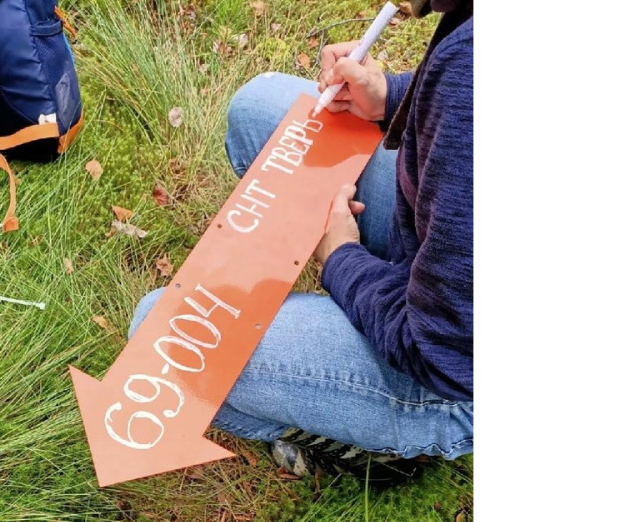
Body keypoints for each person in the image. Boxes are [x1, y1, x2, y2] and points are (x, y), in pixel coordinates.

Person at [128, 0, 473, 486]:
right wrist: (392, 96)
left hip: (451, 376)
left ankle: (379, 451)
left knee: (158, 339)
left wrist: (341, 257)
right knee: (257, 110)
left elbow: (440, 348)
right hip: (438, 250)